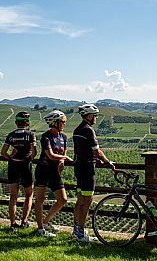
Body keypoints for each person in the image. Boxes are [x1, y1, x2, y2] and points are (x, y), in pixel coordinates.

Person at [72, 104, 114, 242]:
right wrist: (107, 162)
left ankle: (76, 229)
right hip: (88, 169)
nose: (96, 118)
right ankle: (81, 233)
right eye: (95, 116)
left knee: (79, 200)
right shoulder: (89, 130)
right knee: (87, 201)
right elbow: (96, 151)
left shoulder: (77, 130)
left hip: (78, 167)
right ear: (89, 116)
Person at [34, 110, 73, 237]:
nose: (64, 124)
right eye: (62, 122)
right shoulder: (46, 137)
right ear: (54, 122)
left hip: (54, 171)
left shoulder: (64, 137)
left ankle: (46, 222)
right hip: (43, 170)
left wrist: (62, 160)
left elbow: (63, 153)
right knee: (40, 200)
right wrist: (65, 158)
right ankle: (40, 229)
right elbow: (50, 155)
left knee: (63, 199)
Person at [1, 111, 37, 230]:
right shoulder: (30, 134)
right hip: (25, 166)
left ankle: (12, 224)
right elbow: (34, 153)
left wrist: (11, 158)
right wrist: (29, 157)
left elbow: (3, 152)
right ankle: (24, 222)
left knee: (13, 196)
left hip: (13, 166)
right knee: (28, 195)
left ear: (16, 122)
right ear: (27, 122)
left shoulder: (11, 135)